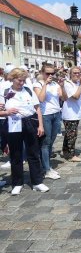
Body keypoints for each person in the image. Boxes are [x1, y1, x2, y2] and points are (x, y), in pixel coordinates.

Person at [0, 67, 48, 195]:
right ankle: (17, 183)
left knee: (33, 152)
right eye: (19, 80)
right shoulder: (4, 91)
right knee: (16, 154)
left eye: (23, 80)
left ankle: (37, 182)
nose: (21, 83)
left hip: (29, 121)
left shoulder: (28, 90)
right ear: (12, 79)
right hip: (13, 123)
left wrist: (41, 126)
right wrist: (6, 112)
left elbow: (37, 108)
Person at [33, 64, 62, 180]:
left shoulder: (55, 84)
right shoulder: (37, 84)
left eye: (52, 73)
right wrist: (45, 84)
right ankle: (46, 169)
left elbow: (63, 97)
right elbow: (41, 99)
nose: (50, 75)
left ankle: (47, 165)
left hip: (56, 113)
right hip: (45, 115)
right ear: (42, 73)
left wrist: (62, 86)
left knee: (51, 141)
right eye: (48, 73)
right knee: (45, 142)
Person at [60, 66, 81, 162]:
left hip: (76, 112)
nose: (77, 75)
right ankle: (71, 155)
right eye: (74, 73)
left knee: (69, 134)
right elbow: (75, 96)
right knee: (72, 135)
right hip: (69, 113)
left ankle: (65, 151)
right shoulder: (68, 84)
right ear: (70, 74)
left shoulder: (78, 83)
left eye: (78, 73)